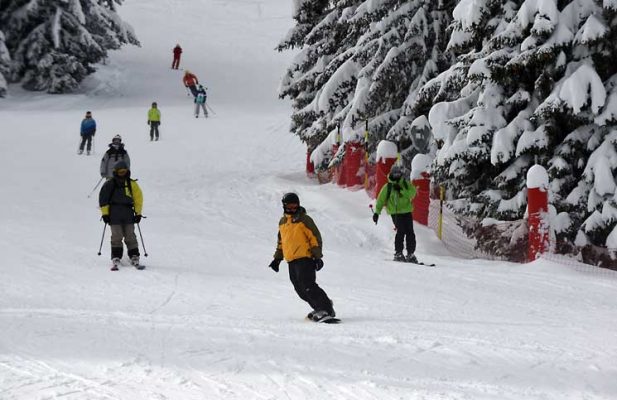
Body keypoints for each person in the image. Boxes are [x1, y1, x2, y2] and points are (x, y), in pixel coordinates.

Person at [268, 192, 335, 322]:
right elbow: (281, 242)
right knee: (299, 288)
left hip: (305, 258)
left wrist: (317, 257)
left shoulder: (304, 220)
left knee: (308, 285)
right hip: (291, 260)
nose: (292, 209)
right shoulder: (282, 222)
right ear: (284, 206)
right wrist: (277, 259)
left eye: (295, 206)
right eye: (290, 206)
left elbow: (315, 238)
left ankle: (325, 308)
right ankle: (318, 307)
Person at [99, 160, 144, 270]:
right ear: (116, 172)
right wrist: (105, 214)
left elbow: (138, 199)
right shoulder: (110, 184)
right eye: (120, 172)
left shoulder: (132, 184)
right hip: (114, 213)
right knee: (116, 236)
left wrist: (138, 213)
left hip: (128, 213)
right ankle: (116, 256)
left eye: (124, 171)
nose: (122, 174)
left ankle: (134, 255)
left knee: (130, 235)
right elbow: (103, 199)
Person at [372, 165, 418, 262]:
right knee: (401, 231)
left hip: (407, 211)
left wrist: (401, 190)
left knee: (410, 232)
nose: (397, 176)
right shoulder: (388, 187)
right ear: (391, 174)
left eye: (398, 174)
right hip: (395, 212)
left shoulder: (405, 184)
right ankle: (398, 253)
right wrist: (377, 213)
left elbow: (412, 193)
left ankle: (410, 254)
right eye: (395, 174)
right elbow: (380, 200)